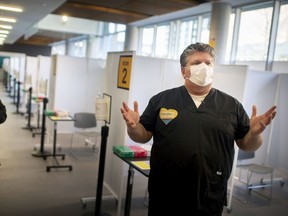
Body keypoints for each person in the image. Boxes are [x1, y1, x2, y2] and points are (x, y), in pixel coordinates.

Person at [120, 42, 276, 216]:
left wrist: (254, 134)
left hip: (210, 191)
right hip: (167, 191)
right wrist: (133, 128)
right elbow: (143, 135)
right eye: (196, 63)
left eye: (208, 63)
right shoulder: (162, 100)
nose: (204, 67)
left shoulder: (231, 106)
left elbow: (247, 145)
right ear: (183, 71)